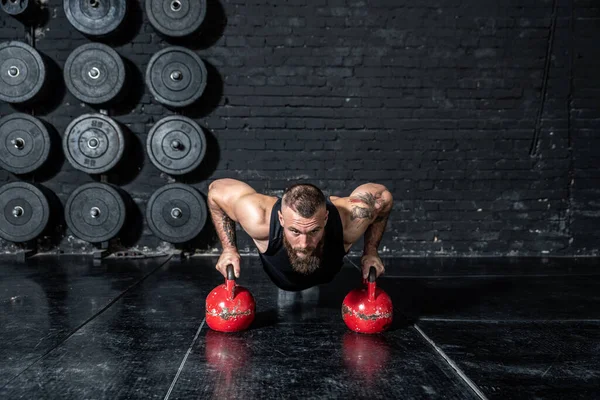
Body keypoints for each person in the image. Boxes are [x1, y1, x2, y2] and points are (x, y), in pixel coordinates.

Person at [207, 179, 393, 291]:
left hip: (327, 275)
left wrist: (371, 251)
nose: (304, 244)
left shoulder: (350, 220)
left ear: (326, 218)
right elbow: (215, 191)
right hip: (279, 277)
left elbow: (383, 197)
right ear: (281, 219)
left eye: (314, 231)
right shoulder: (258, 217)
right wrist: (229, 249)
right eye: (295, 231)